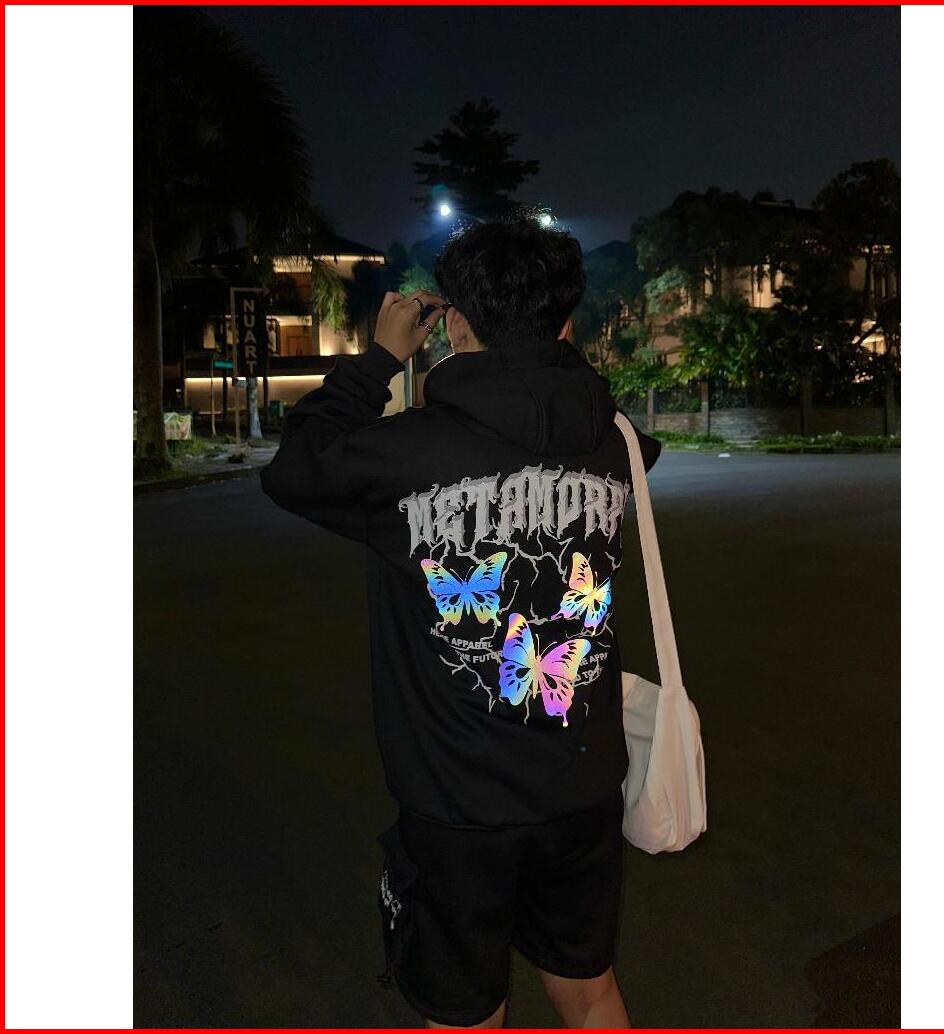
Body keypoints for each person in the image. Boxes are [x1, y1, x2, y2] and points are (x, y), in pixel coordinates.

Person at [260, 216, 662, 1029]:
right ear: (566, 322)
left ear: (454, 323)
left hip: (456, 802)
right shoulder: (617, 442)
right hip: (582, 786)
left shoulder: (405, 454)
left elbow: (296, 466)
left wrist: (378, 361)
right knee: (590, 990)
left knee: (465, 1014)